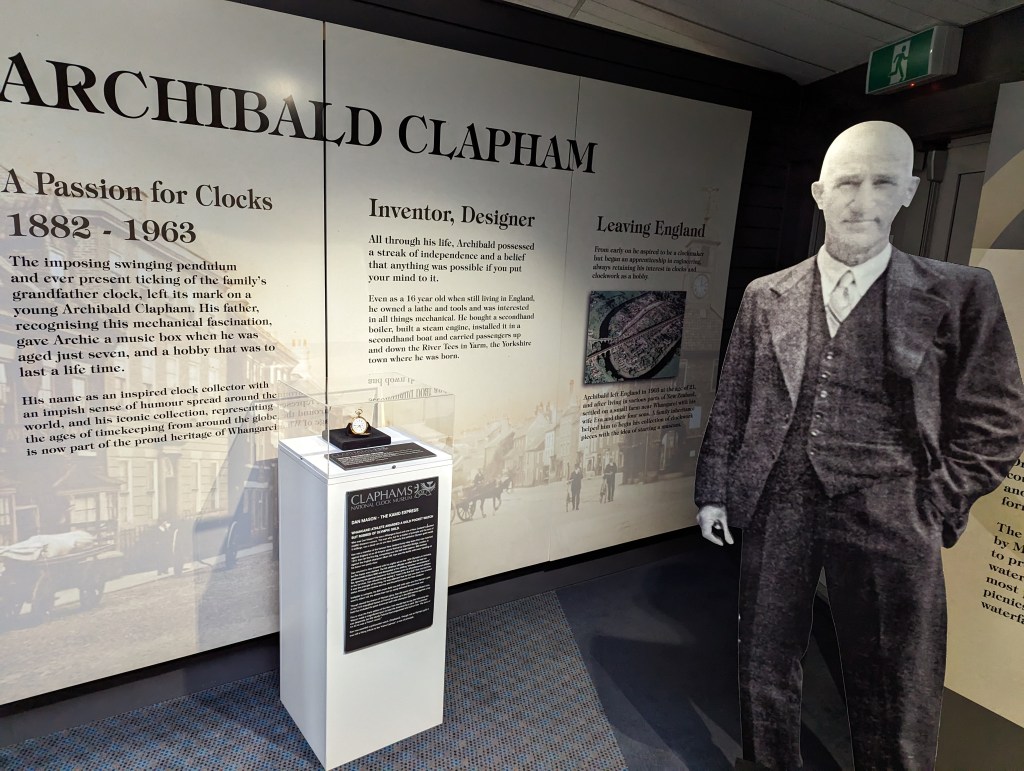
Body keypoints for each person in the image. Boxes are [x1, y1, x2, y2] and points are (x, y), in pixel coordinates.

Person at [694, 121, 1024, 770]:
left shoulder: (960, 292)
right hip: (780, 499)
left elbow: (998, 419)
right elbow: (734, 398)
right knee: (765, 660)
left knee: (896, 679)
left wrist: (935, 501)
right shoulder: (767, 295)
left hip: (894, 510)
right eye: (847, 182)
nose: (862, 200)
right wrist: (714, 492)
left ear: (908, 191)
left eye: (882, 182)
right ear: (820, 193)